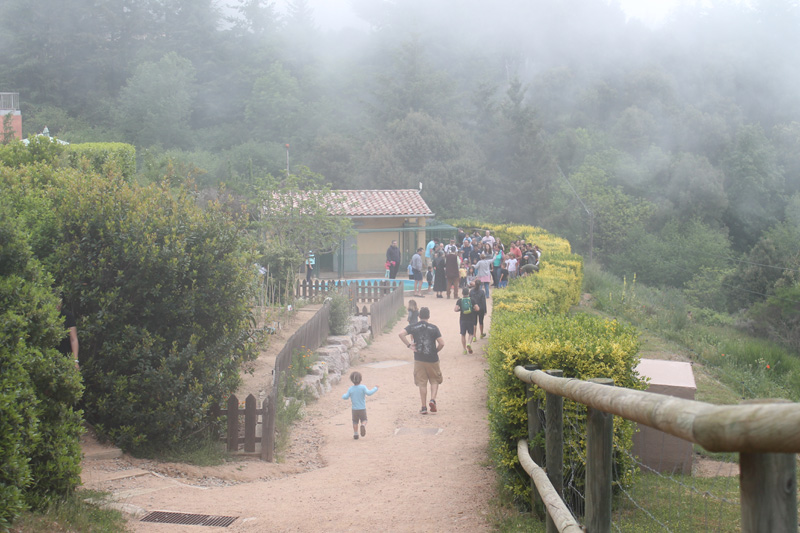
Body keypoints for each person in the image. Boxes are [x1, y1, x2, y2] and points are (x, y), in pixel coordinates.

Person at [398, 307, 444, 415]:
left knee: (422, 383)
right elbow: (442, 343)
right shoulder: (434, 328)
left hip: (419, 358)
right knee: (434, 380)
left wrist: (409, 345)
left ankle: (423, 407)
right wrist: (436, 351)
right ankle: (432, 400)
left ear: (419, 316)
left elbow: (401, 334)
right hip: (432, 359)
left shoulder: (413, 327)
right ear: (429, 316)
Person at [342, 371, 378, 440]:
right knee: (364, 419)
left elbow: (346, 397)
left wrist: (343, 396)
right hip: (362, 408)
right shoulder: (363, 387)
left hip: (354, 409)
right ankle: (363, 425)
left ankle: (355, 433)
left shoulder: (351, 389)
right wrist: (375, 388)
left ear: (351, 380)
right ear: (361, 379)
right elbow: (369, 393)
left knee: (355, 421)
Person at [454, 287, 479, 354]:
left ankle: (464, 349)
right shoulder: (472, 300)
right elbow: (477, 308)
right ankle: (469, 343)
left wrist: (460, 309)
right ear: (468, 293)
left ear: (462, 293)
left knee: (463, 334)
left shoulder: (459, 300)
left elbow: (455, 309)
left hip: (462, 319)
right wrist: (473, 309)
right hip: (471, 319)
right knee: (471, 333)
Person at [57, 297, 80, 369]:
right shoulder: (44, 315)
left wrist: (75, 360)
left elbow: (73, 339)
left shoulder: (68, 316)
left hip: (64, 355)